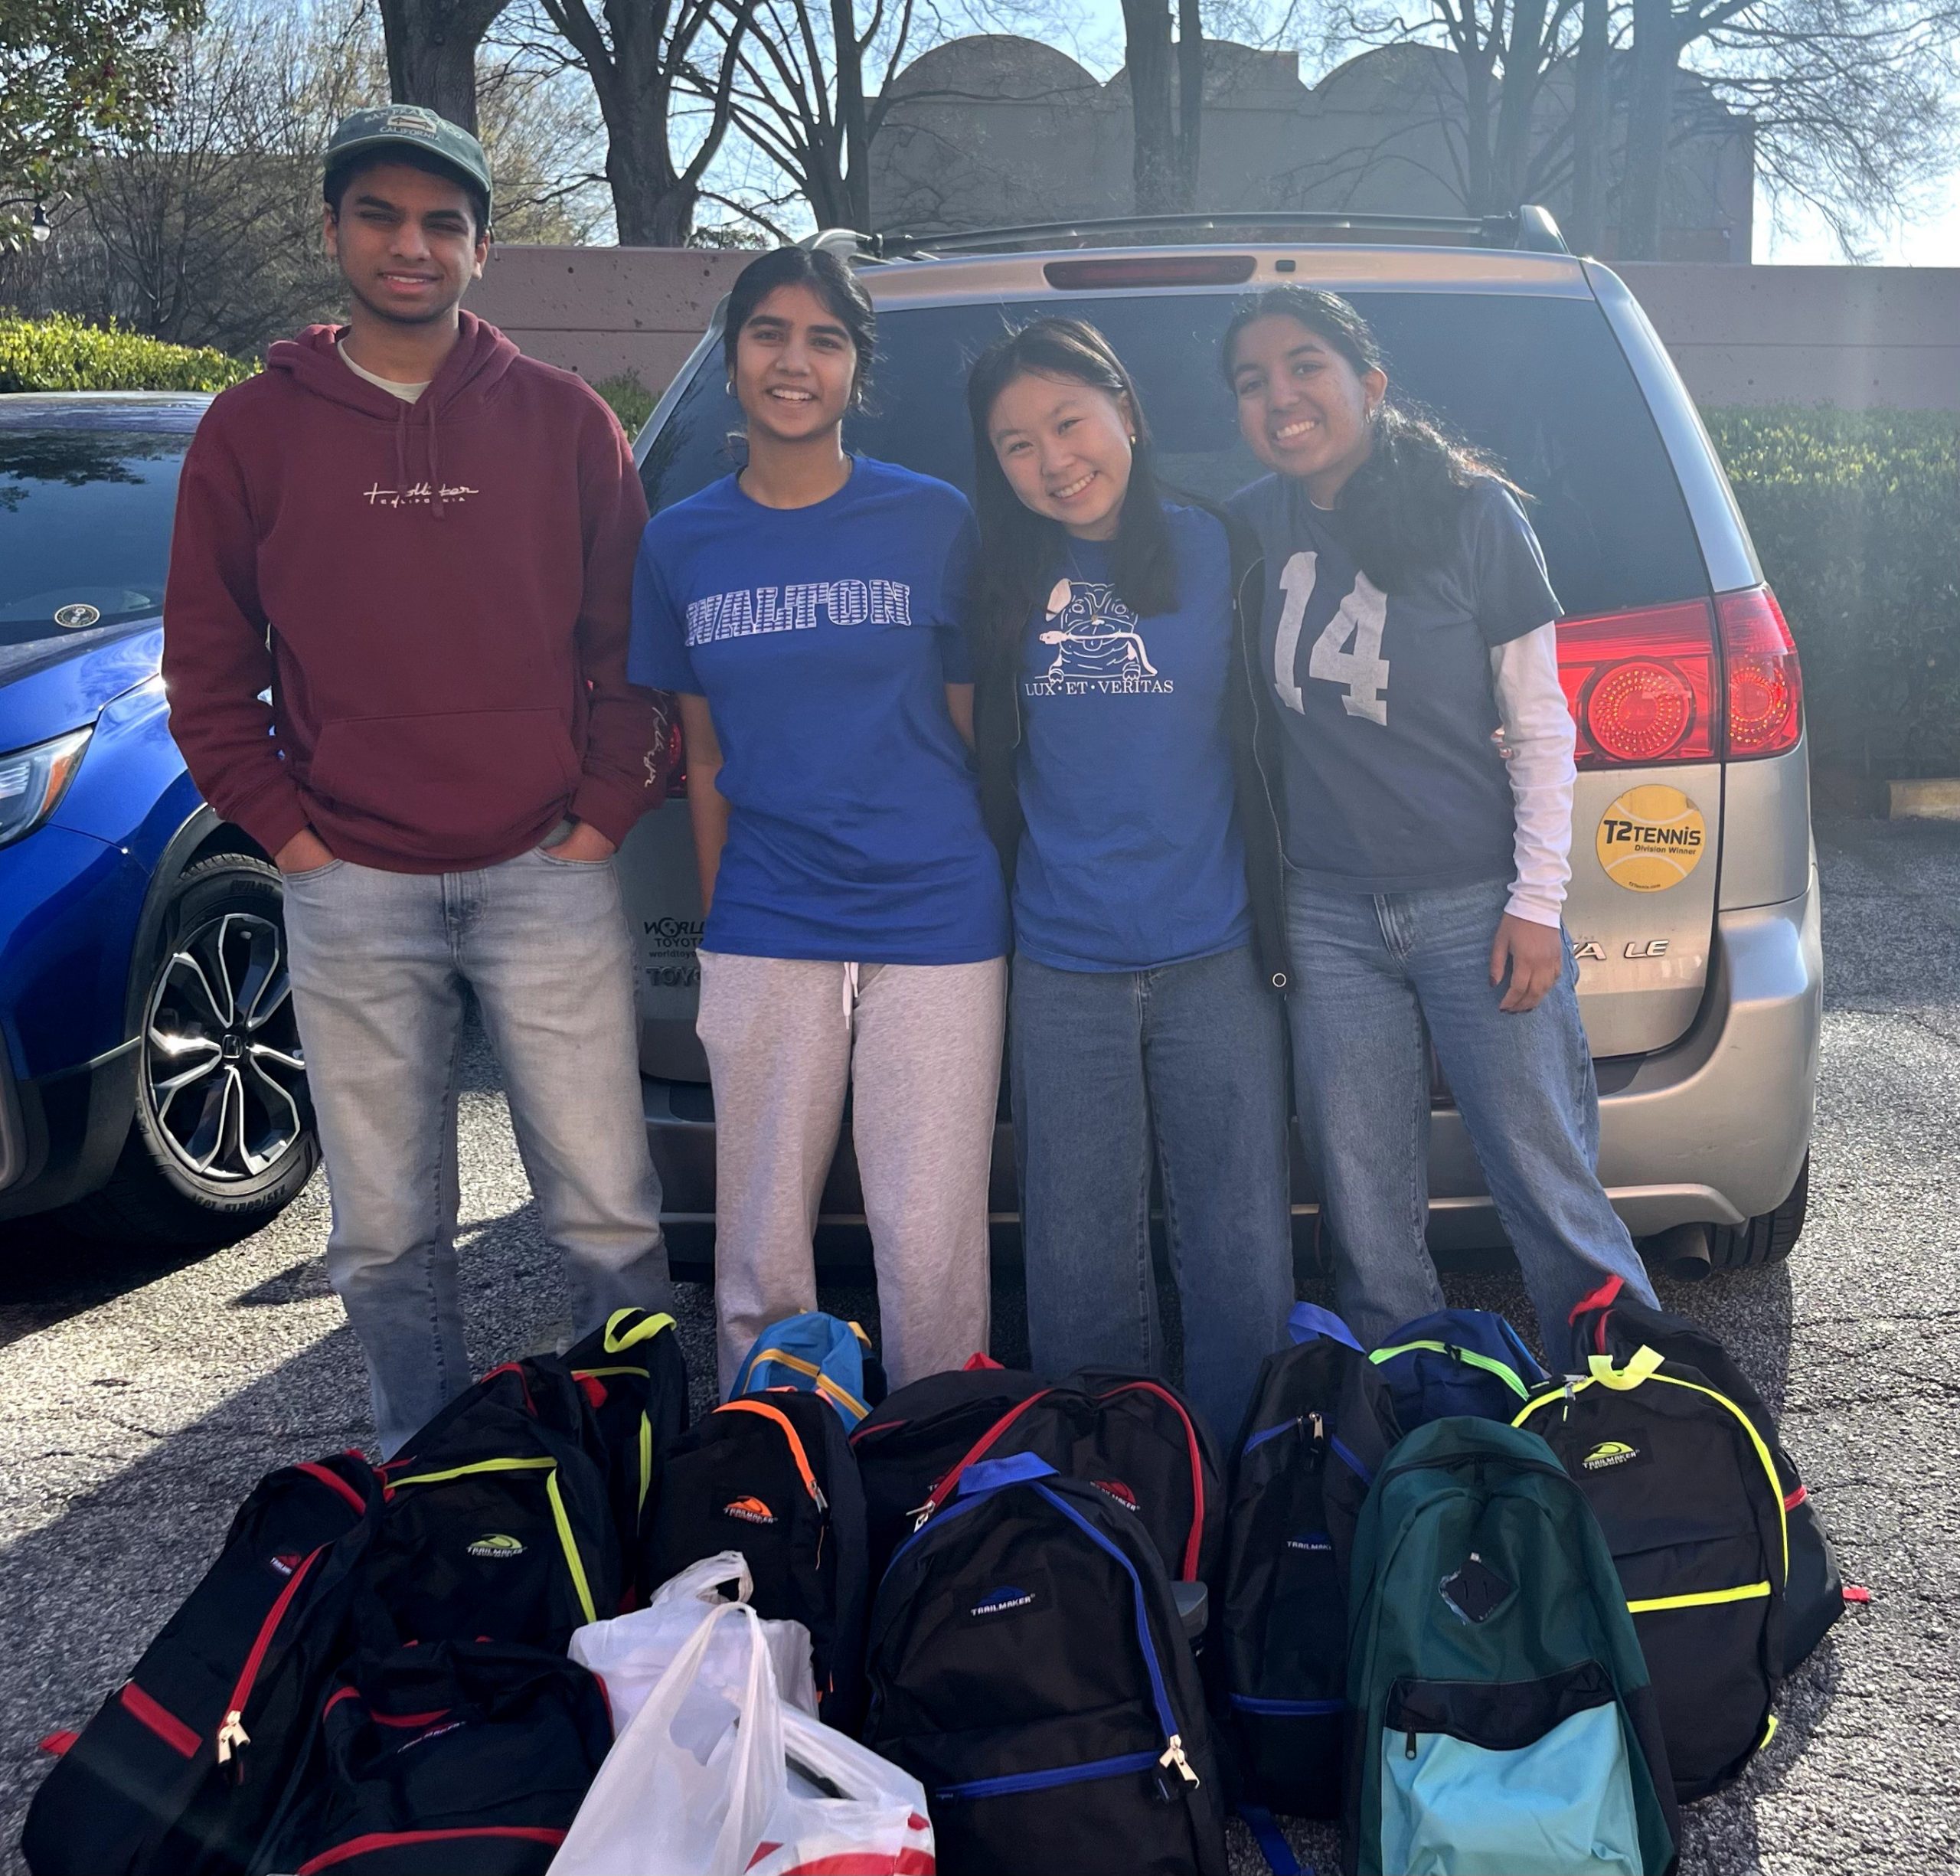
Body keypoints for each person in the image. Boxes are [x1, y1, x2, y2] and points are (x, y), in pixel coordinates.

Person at [162, 105, 671, 1457]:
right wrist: (292, 837)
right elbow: (207, 672)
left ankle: (636, 1463)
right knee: (385, 1232)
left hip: (546, 870)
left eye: (444, 223)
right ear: (333, 231)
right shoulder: (251, 431)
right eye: (380, 216)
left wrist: (600, 816)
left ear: (482, 250)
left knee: (608, 1210)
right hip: (350, 883)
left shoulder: (565, 421)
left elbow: (631, 649)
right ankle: (429, 1482)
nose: (411, 244)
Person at [1220, 285, 1660, 1355]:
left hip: (1477, 906)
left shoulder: (1473, 513)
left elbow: (1542, 726)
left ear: (1369, 383)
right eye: (1252, 381)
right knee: (1367, 1218)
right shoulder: (1247, 527)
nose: (1281, 396)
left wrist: (1538, 903)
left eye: (1306, 365)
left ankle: (1635, 1411)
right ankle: (1415, 1414)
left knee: (1548, 1186)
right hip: (1324, 916)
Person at [629, 246, 1008, 1394]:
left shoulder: (933, 520)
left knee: (929, 1235)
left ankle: (935, 1447)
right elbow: (704, 757)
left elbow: (973, 730)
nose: (795, 362)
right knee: (757, 1242)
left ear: (856, 370)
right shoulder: (678, 541)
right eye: (769, 334)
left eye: (826, 340)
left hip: (936, 915)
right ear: (731, 358)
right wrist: (723, 922)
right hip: (766, 913)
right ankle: (770, 1451)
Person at [967, 317, 1294, 1441]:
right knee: (1077, 1256)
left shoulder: (1226, 550)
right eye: (1016, 444)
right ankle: (1107, 1478)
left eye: (1070, 422)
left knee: (1239, 1244)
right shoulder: (997, 578)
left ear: (1129, 416)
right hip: (1064, 962)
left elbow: (1297, 721)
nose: (1053, 461)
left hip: (1219, 954)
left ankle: (1244, 1473)